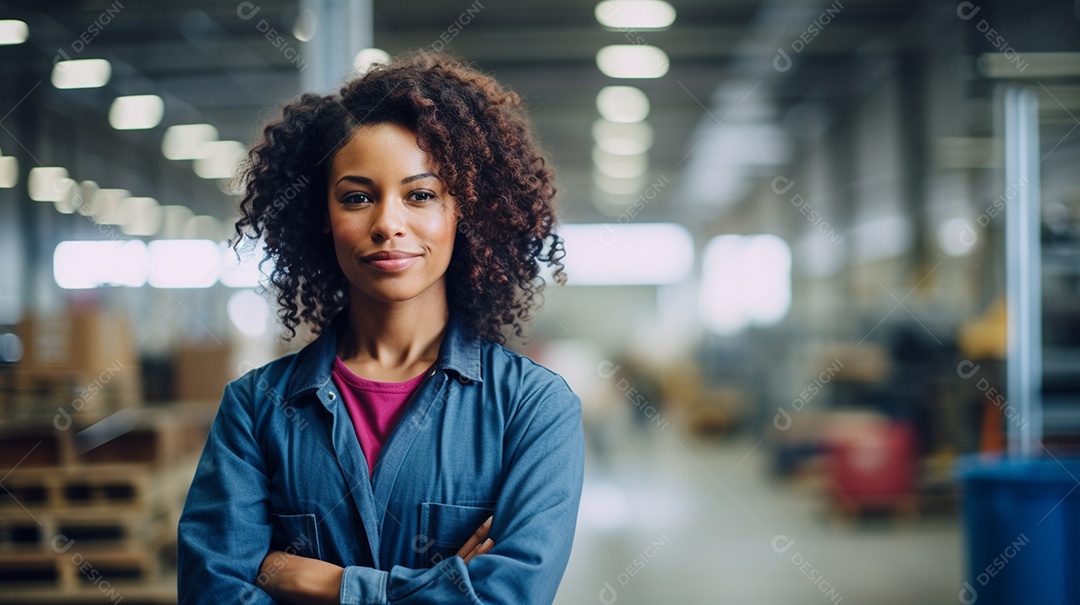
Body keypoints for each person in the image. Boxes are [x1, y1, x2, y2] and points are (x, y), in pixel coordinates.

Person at [177, 52, 585, 605]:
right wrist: (438, 589)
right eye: (358, 197)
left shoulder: (532, 408)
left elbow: (508, 595)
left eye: (420, 195)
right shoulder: (256, 408)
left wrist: (322, 582)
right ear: (322, 213)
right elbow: (212, 592)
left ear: (461, 210)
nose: (388, 224)